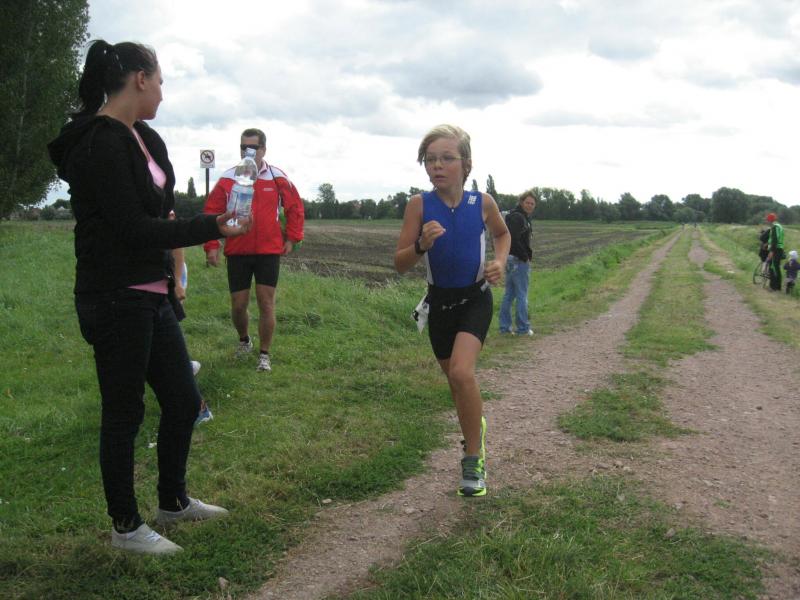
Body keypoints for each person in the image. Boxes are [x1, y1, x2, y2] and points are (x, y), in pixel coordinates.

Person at [47, 39, 249, 555]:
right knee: (124, 413)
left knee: (183, 400)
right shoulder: (99, 144)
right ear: (140, 79)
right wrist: (211, 227)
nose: (162, 91)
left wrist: (178, 268)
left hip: (152, 294)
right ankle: (126, 527)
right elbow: (134, 228)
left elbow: (162, 214)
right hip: (114, 296)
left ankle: (173, 502)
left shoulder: (145, 138)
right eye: (160, 81)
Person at [395, 124, 510, 497]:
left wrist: (499, 262)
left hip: (475, 299)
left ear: (466, 164)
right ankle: (476, 426)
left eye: (447, 158)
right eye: (430, 160)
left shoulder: (483, 203)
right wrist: (421, 244)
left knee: (462, 373)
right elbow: (399, 263)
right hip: (439, 305)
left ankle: (473, 458)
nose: (437, 166)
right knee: (457, 384)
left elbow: (502, 234)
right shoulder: (419, 205)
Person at [204, 128, 305, 372]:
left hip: (268, 251)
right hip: (238, 249)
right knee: (238, 305)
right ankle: (244, 340)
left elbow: (295, 207)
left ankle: (264, 355)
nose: (247, 151)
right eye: (243, 147)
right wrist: (211, 245)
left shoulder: (277, 176)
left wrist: (292, 238)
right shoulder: (228, 178)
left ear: (263, 150)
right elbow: (211, 212)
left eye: (253, 147)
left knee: (266, 302)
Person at [499, 191, 536, 336]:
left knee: (509, 294)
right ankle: (523, 328)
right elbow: (513, 239)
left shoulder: (517, 216)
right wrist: (524, 256)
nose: (530, 206)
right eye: (527, 202)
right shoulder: (518, 217)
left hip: (510, 259)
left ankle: (505, 327)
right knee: (522, 294)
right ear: (521, 202)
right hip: (517, 260)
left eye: (532, 204)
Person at [766, 212, 785, 291]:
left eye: (767, 220)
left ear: (770, 220)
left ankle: (773, 287)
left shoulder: (774, 227)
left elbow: (775, 240)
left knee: (773, 267)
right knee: (776, 268)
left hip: (775, 249)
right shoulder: (779, 226)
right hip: (779, 249)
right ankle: (778, 287)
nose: (767, 221)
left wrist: (771, 251)